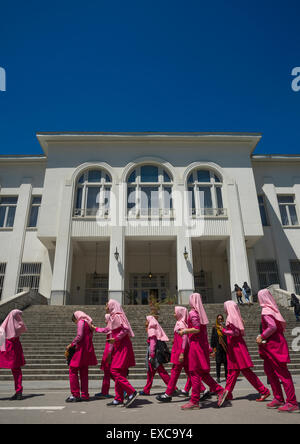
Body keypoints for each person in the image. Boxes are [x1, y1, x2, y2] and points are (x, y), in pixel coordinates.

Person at [218, 301, 270, 408]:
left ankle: (264, 390)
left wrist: (224, 331)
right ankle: (227, 392)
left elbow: (235, 333)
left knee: (243, 370)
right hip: (235, 347)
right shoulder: (235, 317)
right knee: (233, 371)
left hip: (236, 347)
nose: (224, 308)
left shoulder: (230, 318)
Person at [179, 293, 225, 410]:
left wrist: (185, 331)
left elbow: (197, 329)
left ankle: (194, 401)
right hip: (202, 346)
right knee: (203, 374)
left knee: (194, 373)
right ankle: (220, 391)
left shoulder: (193, 313)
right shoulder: (200, 313)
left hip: (196, 346)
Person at [257, 289, 299, 413]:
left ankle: (291, 401)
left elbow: (272, 327)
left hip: (274, 346)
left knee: (282, 373)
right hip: (273, 345)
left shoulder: (266, 311)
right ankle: (278, 398)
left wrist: (262, 336)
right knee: (270, 371)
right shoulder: (272, 309)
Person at [102, 299, 138, 408]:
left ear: (112, 305)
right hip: (120, 346)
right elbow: (109, 331)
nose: (107, 306)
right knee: (120, 372)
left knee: (114, 370)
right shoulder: (114, 317)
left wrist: (116, 338)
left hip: (123, 346)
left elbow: (125, 329)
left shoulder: (117, 315)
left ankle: (131, 391)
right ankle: (118, 398)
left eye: (108, 304)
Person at [156, 307, 190, 403]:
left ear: (180, 314)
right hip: (180, 352)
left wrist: (182, 352)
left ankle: (168, 393)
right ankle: (203, 390)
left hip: (180, 352)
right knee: (190, 372)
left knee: (175, 372)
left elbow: (185, 339)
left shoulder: (180, 324)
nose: (174, 314)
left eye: (175, 313)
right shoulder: (181, 323)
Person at [65, 311, 98, 403]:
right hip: (87, 350)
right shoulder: (88, 322)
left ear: (76, 317)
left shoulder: (81, 322)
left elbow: (79, 336)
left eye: (74, 321)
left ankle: (75, 394)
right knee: (84, 372)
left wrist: (71, 344)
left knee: (73, 370)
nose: (75, 323)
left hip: (80, 350)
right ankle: (85, 394)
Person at [140, 315, 173, 396]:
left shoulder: (152, 329)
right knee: (154, 373)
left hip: (154, 356)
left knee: (159, 372)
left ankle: (172, 388)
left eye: (147, 320)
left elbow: (153, 343)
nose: (146, 322)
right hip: (155, 355)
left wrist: (151, 355)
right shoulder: (155, 329)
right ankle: (146, 390)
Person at [0, 309, 27, 400]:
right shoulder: (19, 323)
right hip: (16, 347)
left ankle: (18, 392)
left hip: (6, 347)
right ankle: (19, 391)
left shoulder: (6, 324)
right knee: (17, 370)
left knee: (16, 370)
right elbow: (21, 328)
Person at [94, 314, 114, 399]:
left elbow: (110, 345)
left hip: (109, 354)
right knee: (108, 373)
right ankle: (104, 391)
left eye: (106, 319)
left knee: (111, 373)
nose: (105, 320)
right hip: (108, 353)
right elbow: (104, 329)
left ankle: (125, 390)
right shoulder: (110, 329)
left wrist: (109, 355)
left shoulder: (111, 330)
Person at [211, 314, 228, 383]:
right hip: (218, 348)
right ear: (217, 320)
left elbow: (227, 337)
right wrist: (214, 348)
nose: (220, 320)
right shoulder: (214, 328)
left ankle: (227, 377)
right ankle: (218, 377)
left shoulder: (225, 327)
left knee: (226, 363)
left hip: (224, 347)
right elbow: (212, 338)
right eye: (219, 319)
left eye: (221, 319)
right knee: (218, 363)